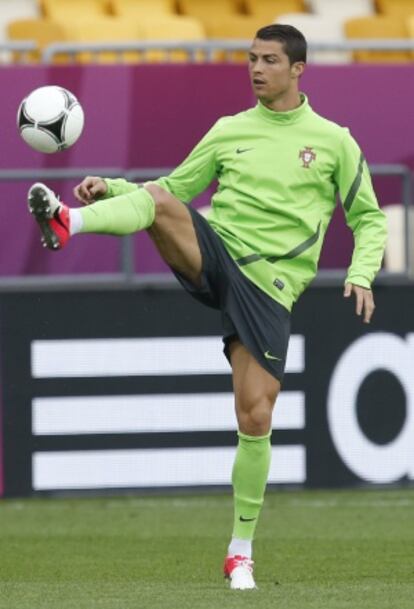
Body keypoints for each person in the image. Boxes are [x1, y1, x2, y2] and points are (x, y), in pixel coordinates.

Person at [27, 24, 387, 590]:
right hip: (217, 252)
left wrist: (362, 272)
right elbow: (173, 189)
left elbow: (368, 217)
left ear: (298, 69)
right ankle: (67, 222)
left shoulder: (334, 141)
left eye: (269, 60)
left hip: (270, 287)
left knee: (255, 416)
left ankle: (239, 551)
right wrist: (114, 188)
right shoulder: (229, 131)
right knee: (163, 204)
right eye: (251, 58)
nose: (256, 68)